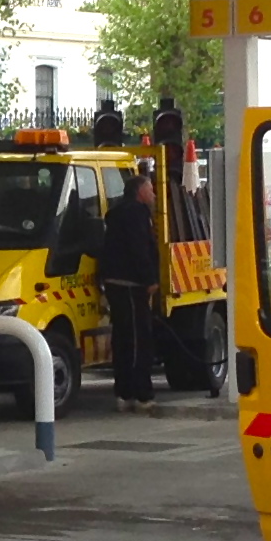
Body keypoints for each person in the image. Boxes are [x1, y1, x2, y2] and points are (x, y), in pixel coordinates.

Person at [100, 169, 163, 411]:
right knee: (138, 339)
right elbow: (139, 249)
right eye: (150, 189)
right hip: (131, 285)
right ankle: (141, 394)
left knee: (122, 337)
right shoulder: (137, 214)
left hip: (115, 284)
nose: (154, 194)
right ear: (139, 192)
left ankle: (123, 392)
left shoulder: (115, 215)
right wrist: (149, 279)